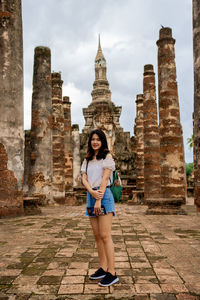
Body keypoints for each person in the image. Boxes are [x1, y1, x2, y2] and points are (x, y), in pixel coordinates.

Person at [81, 128, 119, 287]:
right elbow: (84, 178)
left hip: (104, 196)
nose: (95, 142)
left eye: (98, 139)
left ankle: (112, 272)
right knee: (97, 236)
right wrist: (91, 192)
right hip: (91, 197)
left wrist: (98, 199)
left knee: (105, 235)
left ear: (103, 141)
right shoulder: (88, 159)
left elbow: (104, 179)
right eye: (93, 139)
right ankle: (103, 268)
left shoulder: (107, 157)